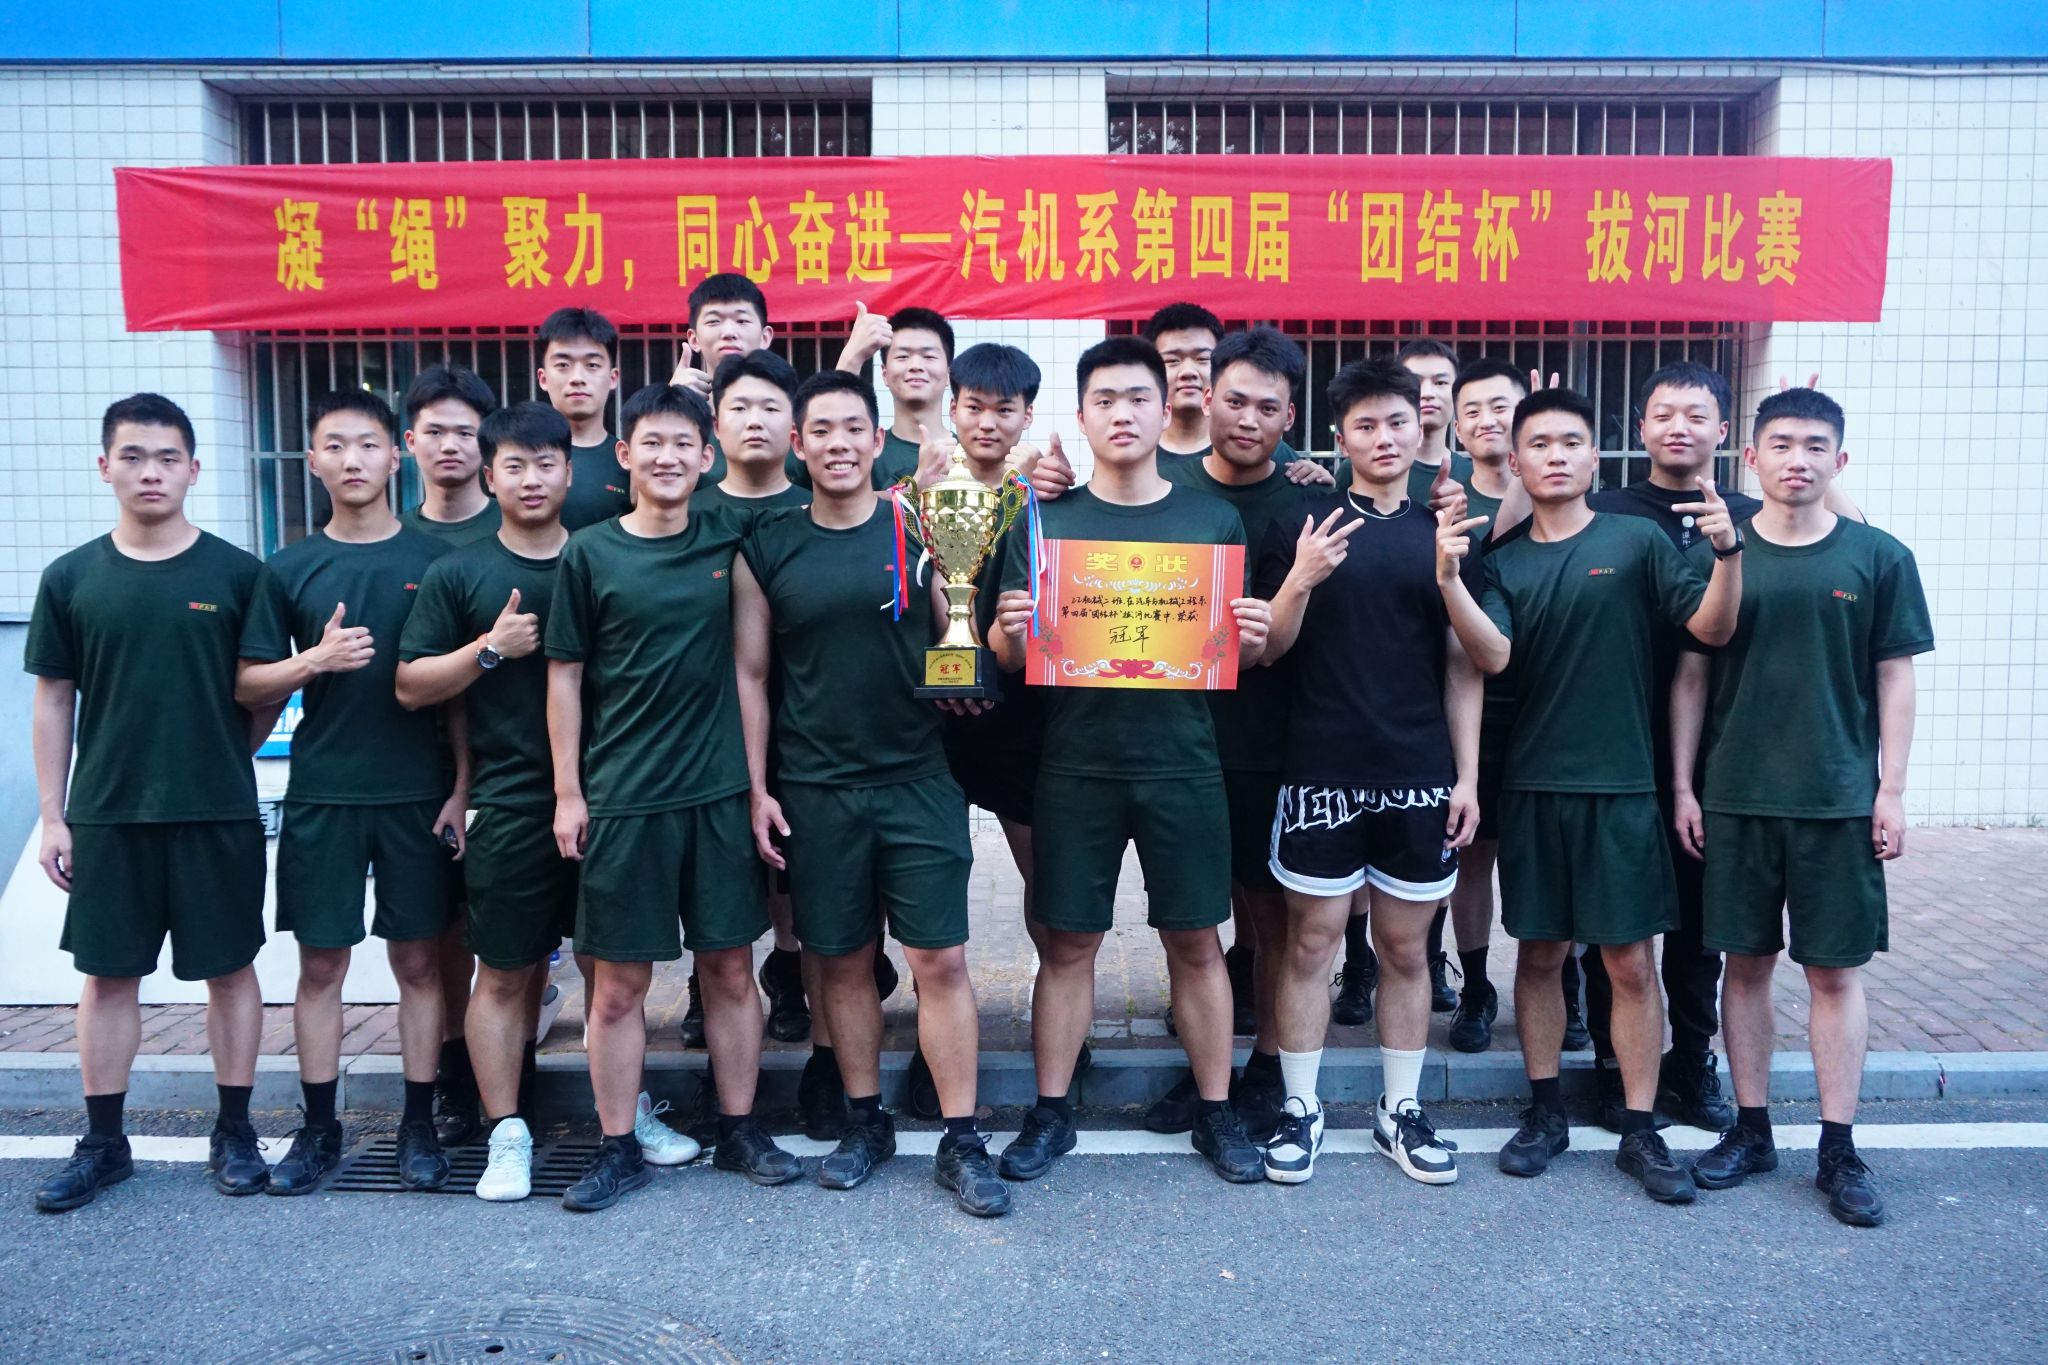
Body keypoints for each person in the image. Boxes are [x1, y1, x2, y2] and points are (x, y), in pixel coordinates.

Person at [1435, 386, 1743, 1204]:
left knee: (1629, 961)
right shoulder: (1503, 563)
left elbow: (1710, 630)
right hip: (1534, 786)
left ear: (1595, 457)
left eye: (1572, 441)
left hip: (1625, 787)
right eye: (1540, 444)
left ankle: (1640, 1128)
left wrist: (1729, 554)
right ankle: (1545, 1111)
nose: (1557, 455)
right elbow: (1491, 655)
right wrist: (1451, 579)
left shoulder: (1637, 540)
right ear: (1516, 461)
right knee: (1539, 955)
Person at [989, 336, 1272, 1185]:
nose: (1122, 413)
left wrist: (1254, 636)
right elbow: (1008, 658)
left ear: (1169, 407)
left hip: (1184, 762)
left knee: (1196, 938)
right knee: (1068, 943)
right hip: (1076, 764)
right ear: (1081, 417)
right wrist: (1006, 630)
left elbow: (1232, 652)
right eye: (1105, 400)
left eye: (1137, 397)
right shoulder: (1044, 519)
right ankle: (1050, 1112)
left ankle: (1216, 1110)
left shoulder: (1210, 521)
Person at [735, 370, 1009, 1217]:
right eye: (821, 429)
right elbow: (751, 674)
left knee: (941, 960)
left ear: (876, 438)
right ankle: (865, 1122)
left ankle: (962, 1140)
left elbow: (957, 626)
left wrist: (972, 668)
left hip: (919, 778)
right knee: (842, 961)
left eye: (854, 427)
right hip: (816, 787)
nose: (839, 443)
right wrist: (758, 788)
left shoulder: (919, 525)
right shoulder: (769, 546)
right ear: (798, 444)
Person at [1675, 388, 1932, 1227]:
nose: (1798, 459)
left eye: (1816, 445)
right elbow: (1692, 675)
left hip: (1837, 799)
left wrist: (1891, 788)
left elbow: (1895, 675)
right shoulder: (1720, 550)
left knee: (1834, 972)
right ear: (1750, 457)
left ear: (1839, 460)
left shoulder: (1878, 556)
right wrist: (1684, 786)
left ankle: (1838, 1147)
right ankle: (1751, 1130)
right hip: (1737, 795)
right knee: (1744, 965)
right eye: (1781, 443)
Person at [543, 383, 802, 1210]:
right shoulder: (589, 553)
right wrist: (568, 792)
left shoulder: (729, 542)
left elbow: (751, 673)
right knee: (618, 984)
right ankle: (616, 1144)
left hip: (718, 794)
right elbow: (564, 675)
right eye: (650, 443)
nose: (666, 457)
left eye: (682, 444)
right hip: (623, 798)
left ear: (706, 457)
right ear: (624, 456)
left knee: (730, 968)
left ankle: (740, 1128)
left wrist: (756, 789)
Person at [25, 394, 275, 1212]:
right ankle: (103, 1141)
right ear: (105, 467)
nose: (151, 472)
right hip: (108, 812)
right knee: (107, 977)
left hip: (216, 811)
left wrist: (221, 754)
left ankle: (234, 1130)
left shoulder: (238, 573)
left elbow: (261, 690)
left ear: (194, 469)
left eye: (168, 457)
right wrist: (55, 814)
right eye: (132, 456)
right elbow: (53, 699)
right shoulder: (71, 578)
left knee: (230, 972)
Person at [1257, 357, 1482, 1184]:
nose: (1384, 438)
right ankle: (1300, 1107)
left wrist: (1467, 776)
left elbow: (1464, 664)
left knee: (1406, 947)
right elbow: (1270, 649)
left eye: (1398, 421)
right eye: (1365, 424)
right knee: (1311, 942)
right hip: (1321, 767)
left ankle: (1401, 1110)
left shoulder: (1442, 531)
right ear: (1339, 435)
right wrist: (1300, 577)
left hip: (1419, 771)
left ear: (1423, 426)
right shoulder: (1301, 523)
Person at [235, 390, 465, 1195]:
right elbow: (248, 681)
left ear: (395, 456)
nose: (353, 459)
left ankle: (418, 1122)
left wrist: (460, 787)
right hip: (324, 791)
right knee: (322, 964)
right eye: (335, 445)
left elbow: (460, 693)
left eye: (368, 444)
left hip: (416, 791)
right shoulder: (287, 568)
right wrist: (313, 661)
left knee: (420, 962)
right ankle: (319, 1126)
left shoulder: (435, 562)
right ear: (313, 461)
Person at [1574, 360, 1767, 1131]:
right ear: (1641, 427)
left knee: (1696, 924)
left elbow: (1845, 524)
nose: (1678, 427)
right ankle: (1613, 1065)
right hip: (1614, 740)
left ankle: (1693, 1061)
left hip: (1717, 749)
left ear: (1724, 429)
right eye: (1663, 413)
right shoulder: (1605, 510)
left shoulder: (1754, 515)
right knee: (1612, 923)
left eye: (1696, 414)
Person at [1145, 326, 1321, 1141]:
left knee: (1272, 911)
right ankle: (1208, 1064)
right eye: (1236, 400)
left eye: (1268, 408)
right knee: (1190, 919)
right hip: (1172, 739)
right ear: (1205, 397)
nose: (1249, 419)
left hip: (1269, 741)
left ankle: (1269, 1065)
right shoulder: (1164, 486)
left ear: (1290, 417)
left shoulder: (1307, 502)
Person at [397, 362, 501, 1149]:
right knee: (431, 939)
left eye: (467, 431)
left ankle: (502, 1076)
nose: (451, 445)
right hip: (407, 765)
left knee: (497, 937)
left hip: (506, 770)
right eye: (435, 431)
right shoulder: (396, 540)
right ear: (410, 442)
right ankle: (451, 1076)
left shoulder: (514, 529)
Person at [823, 304, 952, 489]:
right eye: (903, 356)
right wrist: (851, 358)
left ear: (948, 374)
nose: (915, 365)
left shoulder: (971, 452)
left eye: (929, 356)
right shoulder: (862, 452)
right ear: (884, 374)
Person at [668, 272, 776, 486]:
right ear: (693, 339)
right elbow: (637, 494)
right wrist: (670, 405)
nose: (728, 332)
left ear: (765, 337)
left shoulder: (791, 412)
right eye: (714, 321)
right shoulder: (678, 404)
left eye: (742, 320)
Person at [537, 306, 631, 531]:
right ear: (543, 378)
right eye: (563, 365)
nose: (577, 378)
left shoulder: (631, 462)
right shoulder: (516, 460)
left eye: (592, 365)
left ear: (613, 378)